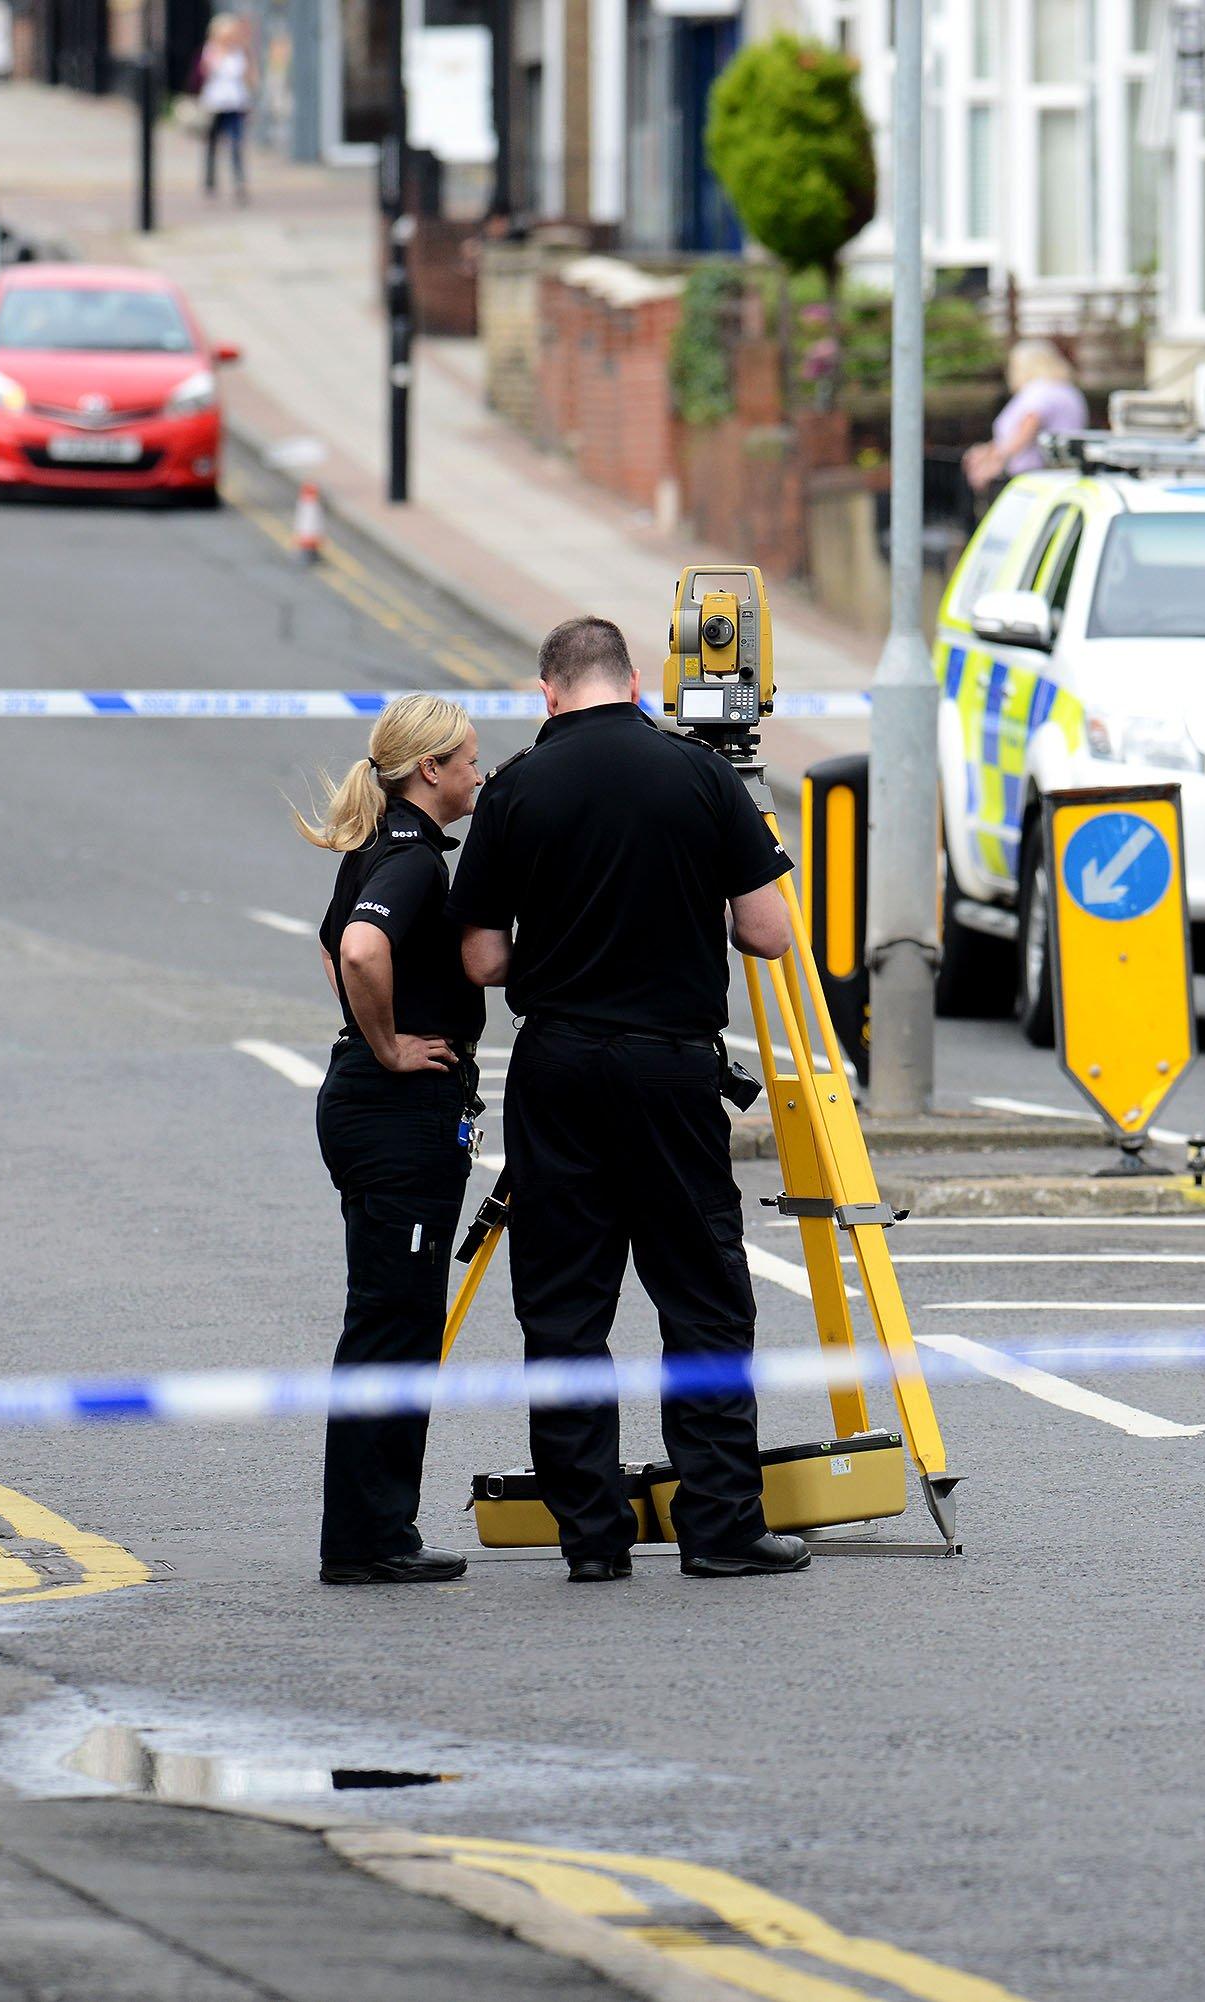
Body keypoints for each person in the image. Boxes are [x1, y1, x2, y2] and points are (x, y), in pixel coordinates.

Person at [447, 617, 805, 1584]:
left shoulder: (516, 786)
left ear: (547, 693)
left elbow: (480, 956)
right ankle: (722, 1527)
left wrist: (562, 960)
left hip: (558, 1066)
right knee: (702, 1297)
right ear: (637, 681)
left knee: (564, 1307)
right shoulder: (697, 775)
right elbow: (768, 932)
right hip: (672, 1069)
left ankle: (593, 1540)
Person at [298, 693, 487, 1586]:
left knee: (391, 1319)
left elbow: (329, 944)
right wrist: (388, 1043)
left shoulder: (381, 848)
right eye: (471, 761)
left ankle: (373, 1530)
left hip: (368, 1108)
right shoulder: (411, 860)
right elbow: (362, 951)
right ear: (432, 770)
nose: (480, 775)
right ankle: (370, 1539)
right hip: (394, 1111)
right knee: (393, 1325)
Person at [962, 340, 1089, 496]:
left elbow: (1026, 431)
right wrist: (988, 450)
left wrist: (992, 462)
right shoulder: (1067, 390)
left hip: (1034, 480)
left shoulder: (1039, 390)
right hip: (1063, 475)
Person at [196, 15, 255, 204]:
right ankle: (210, 182)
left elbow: (249, 77)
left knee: (236, 144)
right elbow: (206, 71)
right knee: (212, 145)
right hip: (215, 103)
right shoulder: (211, 50)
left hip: (236, 103)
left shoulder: (240, 52)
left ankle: (239, 182)